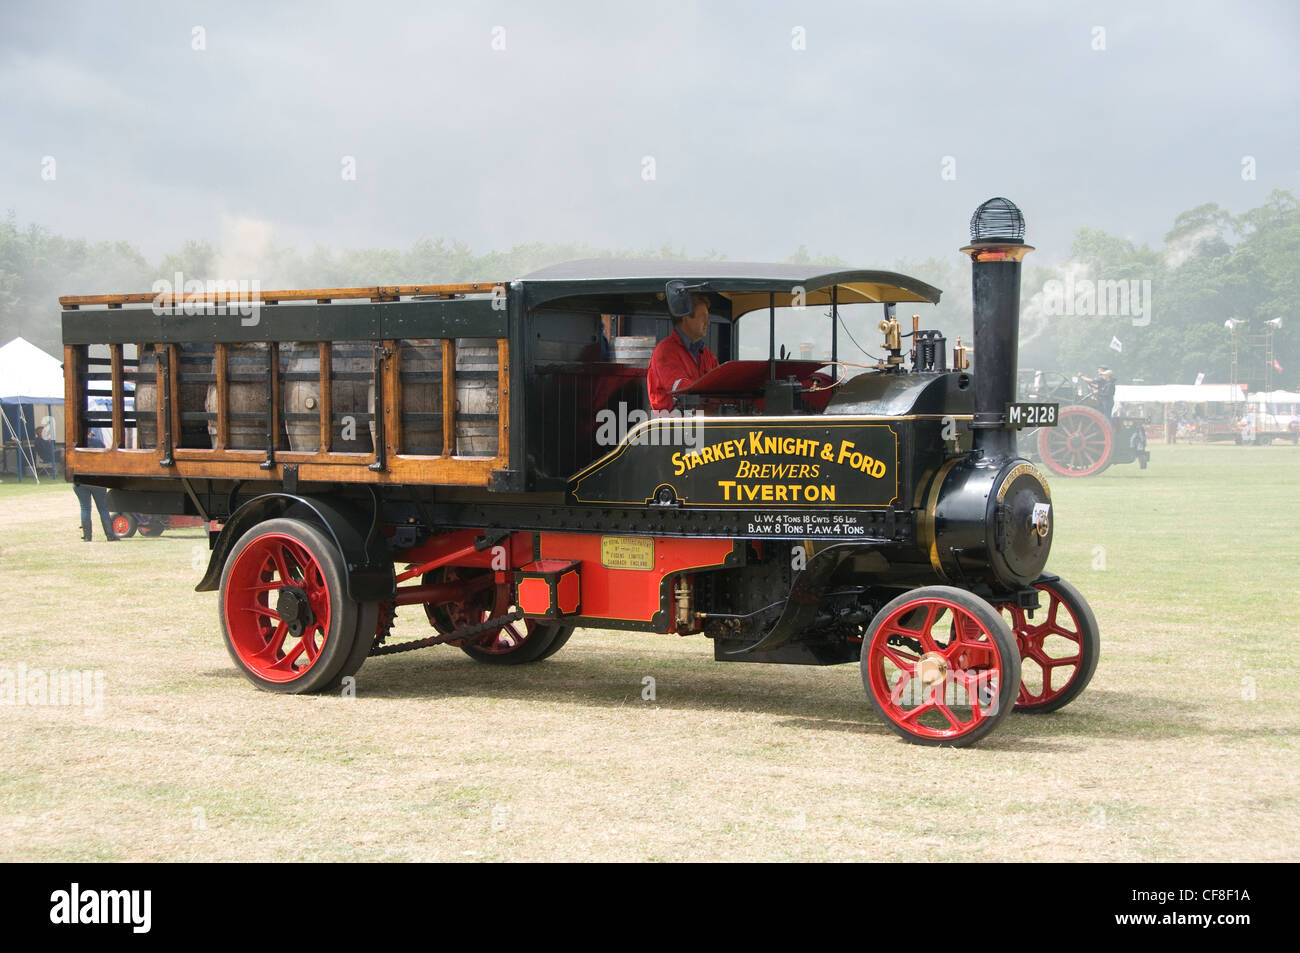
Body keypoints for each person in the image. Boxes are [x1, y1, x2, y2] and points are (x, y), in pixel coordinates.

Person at [647, 292, 719, 413]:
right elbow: (679, 388)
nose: (708, 322)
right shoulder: (665, 351)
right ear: (685, 318)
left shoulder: (706, 355)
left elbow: (720, 385)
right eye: (703, 317)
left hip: (703, 427)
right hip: (671, 429)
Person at [73, 428, 118, 541]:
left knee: (85, 508)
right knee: (103, 508)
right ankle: (110, 535)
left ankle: (87, 536)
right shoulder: (98, 443)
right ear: (91, 432)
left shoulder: (76, 445)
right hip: (97, 480)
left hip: (80, 479)